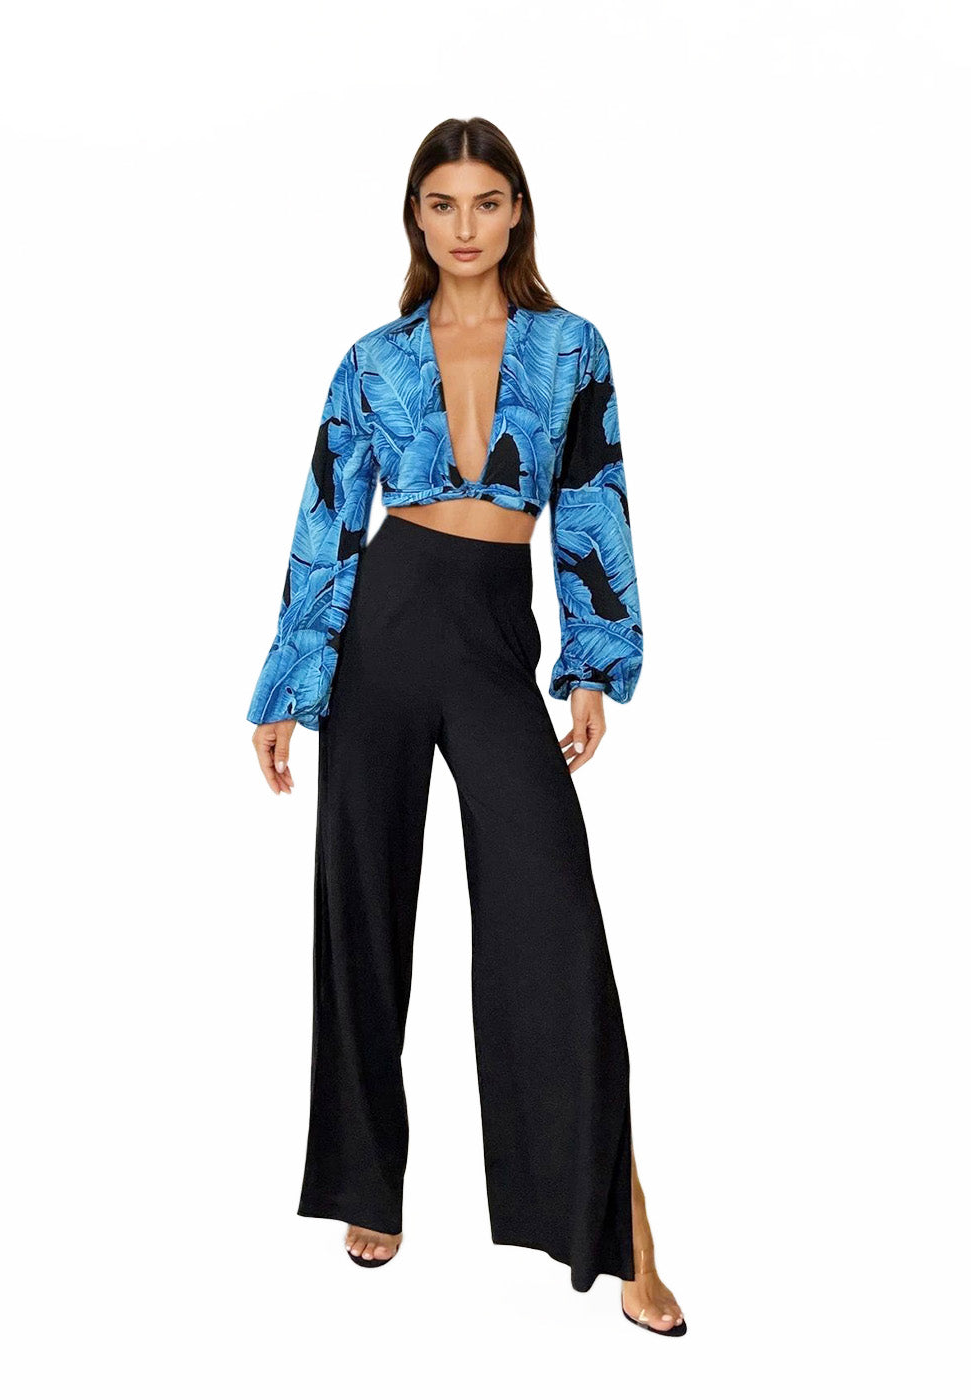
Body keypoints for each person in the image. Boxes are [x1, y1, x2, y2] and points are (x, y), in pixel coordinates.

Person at [247, 116, 686, 1334]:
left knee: (555, 926)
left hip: (494, 637)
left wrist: (593, 662)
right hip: (385, 630)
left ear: (516, 212)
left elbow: (593, 498)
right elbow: (328, 516)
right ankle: (363, 1182)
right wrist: (289, 682)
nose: (464, 226)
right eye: (441, 204)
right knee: (362, 908)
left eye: (486, 202)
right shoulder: (371, 358)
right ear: (415, 217)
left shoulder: (570, 345)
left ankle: (624, 1228)